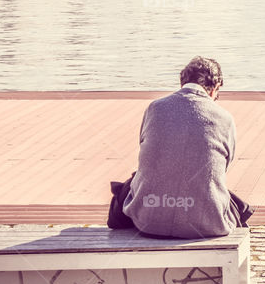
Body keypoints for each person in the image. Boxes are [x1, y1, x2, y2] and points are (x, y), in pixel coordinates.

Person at [107, 56, 253, 238]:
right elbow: (222, 168)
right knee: (233, 203)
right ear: (215, 87)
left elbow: (148, 152)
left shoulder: (155, 108)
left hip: (149, 221)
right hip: (207, 223)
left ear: (182, 82)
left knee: (132, 181)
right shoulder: (225, 118)